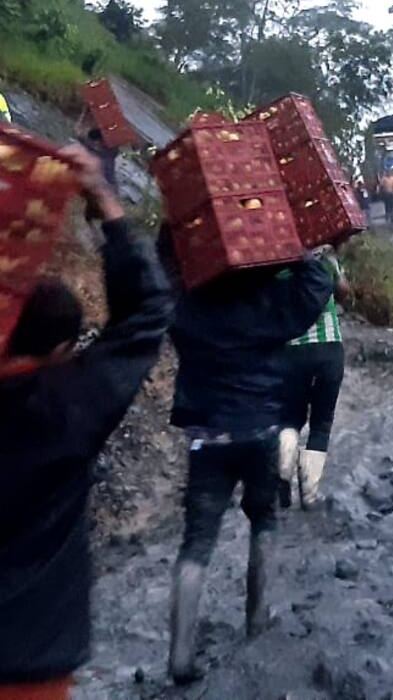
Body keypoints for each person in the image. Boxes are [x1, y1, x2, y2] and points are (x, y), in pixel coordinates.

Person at [0, 147, 172, 698]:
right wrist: (105, 200)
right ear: (60, 349)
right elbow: (147, 314)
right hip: (33, 665)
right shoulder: (65, 409)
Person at [163, 246, 333, 684]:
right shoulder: (269, 304)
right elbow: (317, 287)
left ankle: (180, 655)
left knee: (197, 542)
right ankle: (257, 620)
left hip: (207, 437)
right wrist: (294, 249)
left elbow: (163, 281)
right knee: (265, 521)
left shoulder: (191, 309)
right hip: (260, 432)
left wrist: (175, 238)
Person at [278, 249, 352, 510]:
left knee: (289, 418)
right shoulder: (324, 257)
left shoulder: (270, 262)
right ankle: (309, 495)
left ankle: (283, 474)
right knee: (321, 422)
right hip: (329, 349)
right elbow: (343, 291)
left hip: (290, 352)